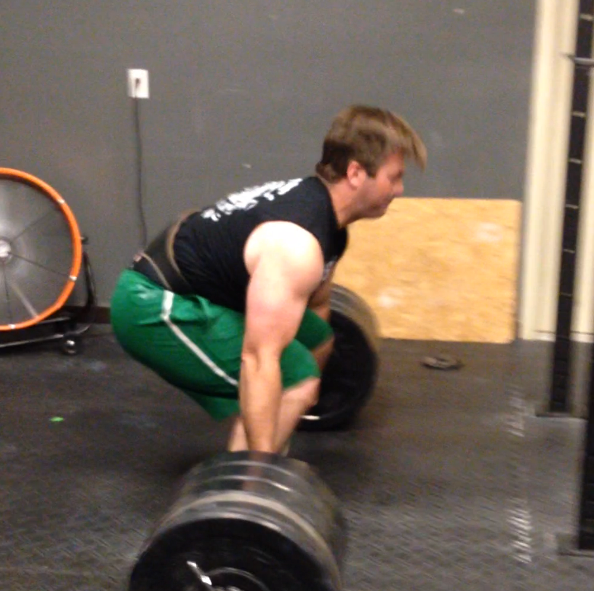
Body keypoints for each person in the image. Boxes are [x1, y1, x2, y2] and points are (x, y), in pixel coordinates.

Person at [110, 105, 426, 454]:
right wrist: (264, 470)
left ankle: (269, 428)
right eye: (394, 177)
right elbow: (258, 360)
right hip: (151, 305)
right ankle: (247, 470)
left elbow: (318, 308)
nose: (399, 189)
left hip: (199, 287)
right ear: (355, 173)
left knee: (317, 340)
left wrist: (304, 395)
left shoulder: (328, 224)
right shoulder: (296, 244)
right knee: (294, 377)